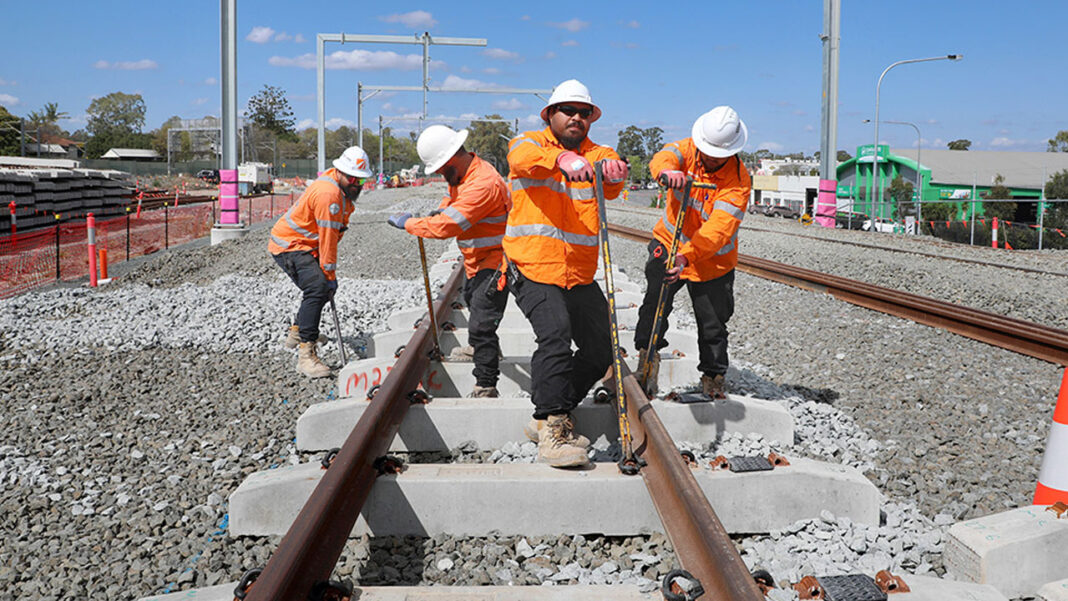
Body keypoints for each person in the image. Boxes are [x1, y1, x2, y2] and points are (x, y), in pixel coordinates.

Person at [504, 79, 628, 467]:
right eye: (568, 111)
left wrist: (613, 170)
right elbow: (520, 159)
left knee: (602, 346)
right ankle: (555, 433)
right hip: (534, 265)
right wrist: (560, 160)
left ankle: (543, 414)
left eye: (584, 112)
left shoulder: (597, 152)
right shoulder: (528, 144)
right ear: (550, 115)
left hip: (578, 271)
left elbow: (612, 180)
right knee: (555, 335)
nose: (577, 117)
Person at [635, 106, 752, 399]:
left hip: (711, 261)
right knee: (654, 307)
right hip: (667, 243)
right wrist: (666, 172)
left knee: (713, 323)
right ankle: (647, 363)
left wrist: (687, 256)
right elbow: (663, 157)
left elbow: (718, 230)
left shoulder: (739, 181)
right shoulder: (685, 150)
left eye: (719, 154)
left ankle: (713, 378)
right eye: (708, 150)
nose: (712, 157)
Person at [387, 125, 510, 397]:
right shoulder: (464, 175)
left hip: (496, 260)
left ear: (452, 158)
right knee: (475, 304)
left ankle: (486, 384)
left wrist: (410, 223)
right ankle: (482, 348)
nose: (442, 175)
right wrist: (442, 207)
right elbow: (453, 199)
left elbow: (447, 227)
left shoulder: (483, 183)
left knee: (481, 320)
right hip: (477, 259)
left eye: (442, 169)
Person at [269, 146, 372, 377]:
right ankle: (306, 356)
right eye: (353, 178)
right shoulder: (329, 196)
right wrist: (330, 275)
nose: (356, 184)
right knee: (318, 287)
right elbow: (328, 240)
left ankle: (298, 332)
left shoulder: (338, 185)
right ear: (341, 172)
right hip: (290, 245)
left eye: (361, 180)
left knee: (320, 288)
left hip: (304, 243)